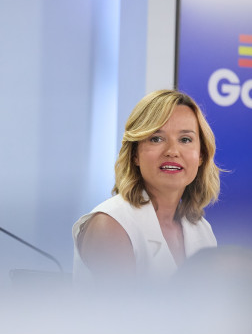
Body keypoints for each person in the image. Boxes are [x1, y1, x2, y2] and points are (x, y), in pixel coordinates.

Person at [72, 89, 221, 283]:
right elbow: (120, 313)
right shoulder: (110, 224)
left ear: (201, 155)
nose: (172, 151)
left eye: (185, 139)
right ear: (135, 154)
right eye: (156, 138)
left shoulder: (202, 230)